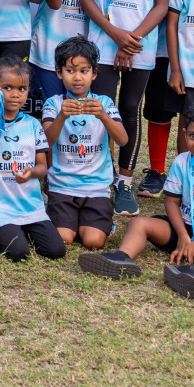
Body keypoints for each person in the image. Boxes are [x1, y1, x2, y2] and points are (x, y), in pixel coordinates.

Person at [78, 99, 194, 300]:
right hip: (181, 228)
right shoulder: (182, 161)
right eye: (193, 136)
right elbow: (171, 202)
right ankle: (122, 257)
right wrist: (184, 237)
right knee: (139, 223)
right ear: (184, 135)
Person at [76, 0, 176, 217]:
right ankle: (96, 178)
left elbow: (161, 5)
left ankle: (124, 182)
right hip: (102, 46)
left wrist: (131, 40)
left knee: (130, 110)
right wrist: (115, 34)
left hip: (140, 48)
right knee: (102, 109)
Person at [0, 57, 65, 262]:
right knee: (18, 253)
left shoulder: (33, 124)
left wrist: (31, 173)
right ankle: (12, 231)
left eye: (22, 89)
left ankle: (26, 229)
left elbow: (42, 167)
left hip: (30, 206)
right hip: (0, 209)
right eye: (7, 87)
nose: (15, 94)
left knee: (56, 251)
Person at [138, 0, 194, 198]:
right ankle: (157, 171)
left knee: (193, 113)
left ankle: (188, 172)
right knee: (159, 111)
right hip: (159, 48)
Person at [41, 36, 127, 251]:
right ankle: (66, 217)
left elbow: (123, 139)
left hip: (96, 187)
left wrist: (104, 117)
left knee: (93, 242)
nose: (77, 78)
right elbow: (46, 142)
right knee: (63, 238)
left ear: (94, 73)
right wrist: (61, 117)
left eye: (84, 71)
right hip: (62, 185)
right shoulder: (54, 103)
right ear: (59, 73)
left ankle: (99, 220)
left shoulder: (104, 103)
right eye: (70, 71)